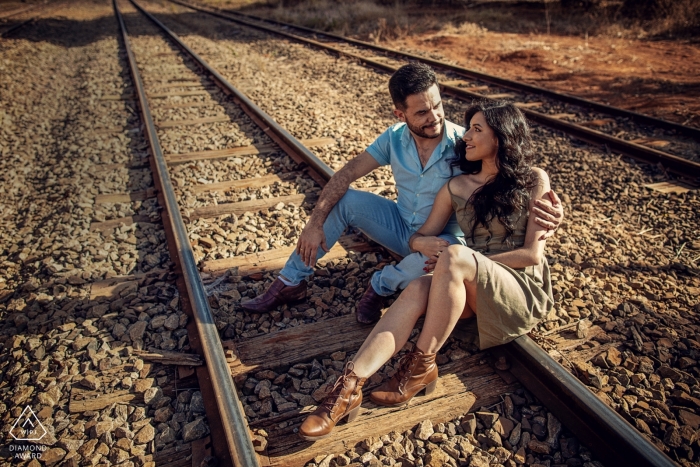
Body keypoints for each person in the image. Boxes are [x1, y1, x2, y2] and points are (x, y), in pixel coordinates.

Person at [297, 100, 555, 441]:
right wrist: (426, 248)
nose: (467, 137)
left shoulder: (534, 179)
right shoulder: (457, 187)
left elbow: (532, 255)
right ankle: (347, 388)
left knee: (457, 255)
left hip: (519, 293)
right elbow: (421, 235)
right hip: (473, 290)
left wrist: (462, 261)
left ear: (502, 137)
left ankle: (421, 364)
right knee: (419, 286)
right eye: (469, 129)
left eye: (478, 130)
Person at [242, 63, 563, 324]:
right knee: (346, 199)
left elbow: (507, 172)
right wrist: (314, 223)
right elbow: (346, 173)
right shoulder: (393, 138)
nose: (434, 117)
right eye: (421, 112)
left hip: (445, 243)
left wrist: (549, 209)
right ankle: (290, 282)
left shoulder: (461, 143)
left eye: (437, 105)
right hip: (401, 226)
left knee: (434, 260)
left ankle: (380, 286)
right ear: (400, 114)